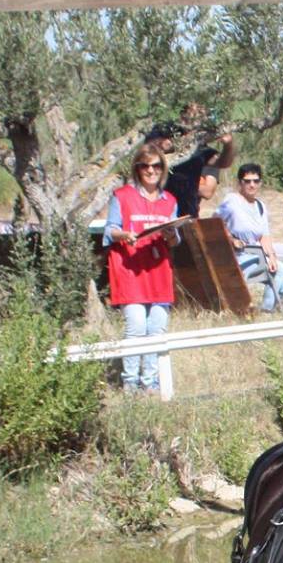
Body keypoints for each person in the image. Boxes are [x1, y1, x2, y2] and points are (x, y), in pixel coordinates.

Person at [104, 146, 182, 393]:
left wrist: (171, 234)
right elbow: (109, 229)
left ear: (163, 169)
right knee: (136, 325)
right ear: (137, 169)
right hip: (130, 268)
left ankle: (151, 382)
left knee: (156, 328)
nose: (151, 171)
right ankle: (130, 383)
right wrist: (123, 235)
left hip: (158, 269)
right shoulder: (122, 196)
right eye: (145, 166)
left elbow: (175, 240)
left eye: (156, 166)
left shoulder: (169, 200)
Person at [216, 162, 282, 312]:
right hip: (237, 256)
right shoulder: (231, 201)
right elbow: (215, 223)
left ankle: (268, 308)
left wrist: (271, 256)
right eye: (247, 181)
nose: (252, 185)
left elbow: (264, 235)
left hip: (257, 254)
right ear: (240, 183)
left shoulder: (260, 206)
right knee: (282, 270)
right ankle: (266, 312)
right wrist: (232, 239)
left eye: (256, 181)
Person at [162, 128, 235, 218]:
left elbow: (207, 191)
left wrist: (228, 145)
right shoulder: (168, 147)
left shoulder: (204, 153)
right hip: (162, 211)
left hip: (188, 214)